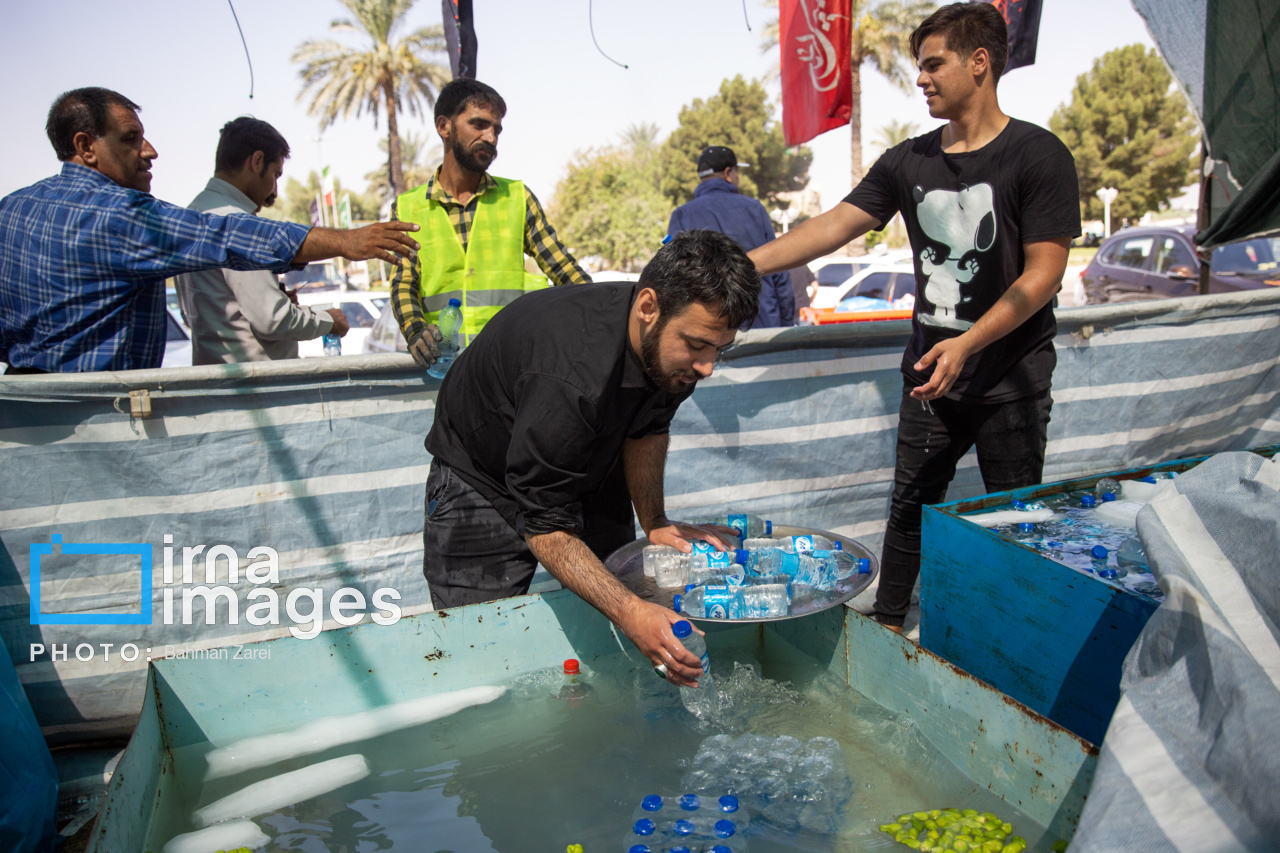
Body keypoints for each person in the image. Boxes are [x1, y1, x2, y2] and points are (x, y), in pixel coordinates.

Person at [748, 3, 1080, 631]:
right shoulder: (908, 161)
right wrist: (744, 265)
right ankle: (889, 627)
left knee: (1015, 520)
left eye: (934, 64)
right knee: (908, 510)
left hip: (1011, 380)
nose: (921, 79)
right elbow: (833, 226)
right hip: (930, 374)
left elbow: (1044, 276)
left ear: (979, 62)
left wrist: (970, 343)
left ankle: (1013, 637)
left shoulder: (1038, 155)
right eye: (918, 67)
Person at [423, 230, 760, 686]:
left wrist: (655, 520)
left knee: (620, 628)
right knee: (477, 653)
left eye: (720, 349)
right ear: (648, 308)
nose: (707, 368)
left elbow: (647, 428)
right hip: (480, 476)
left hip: (585, 464)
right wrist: (629, 610)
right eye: (698, 345)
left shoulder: (673, 352)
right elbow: (545, 523)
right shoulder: (570, 373)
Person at [0, 87, 418, 374]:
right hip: (105, 427)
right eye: (131, 139)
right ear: (85, 147)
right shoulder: (121, 215)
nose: (150, 152)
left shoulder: (10, 211)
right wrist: (346, 242)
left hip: (29, 422)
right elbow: (227, 240)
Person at [390, 78, 590, 371]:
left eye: (496, 129)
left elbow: (566, 271)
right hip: (445, 373)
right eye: (479, 125)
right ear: (444, 126)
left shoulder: (517, 197)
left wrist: (602, 314)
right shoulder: (408, 207)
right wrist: (416, 331)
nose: (491, 137)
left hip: (510, 370)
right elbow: (403, 283)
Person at [175, 117, 348, 365]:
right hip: (255, 390)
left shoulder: (191, 215)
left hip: (214, 382)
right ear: (257, 162)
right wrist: (330, 320)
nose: (274, 191)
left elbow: (197, 313)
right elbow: (273, 320)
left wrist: (275, 300)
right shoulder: (237, 223)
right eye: (275, 175)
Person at [667, 146, 794, 328]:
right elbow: (780, 271)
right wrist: (786, 323)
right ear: (728, 173)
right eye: (737, 172)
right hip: (761, 328)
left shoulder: (681, 215)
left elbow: (674, 278)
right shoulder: (754, 209)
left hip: (708, 335)